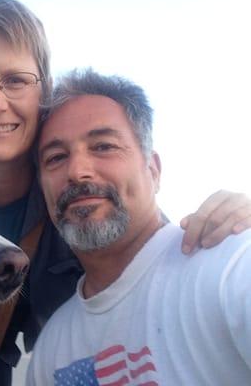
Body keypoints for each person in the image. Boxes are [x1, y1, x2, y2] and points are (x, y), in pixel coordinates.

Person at [0, 0, 251, 384]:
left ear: (43, 90)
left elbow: (154, 259)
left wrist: (231, 224)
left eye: (16, 80)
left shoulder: (78, 204)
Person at [27, 68, 251, 385]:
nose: (77, 171)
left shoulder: (230, 265)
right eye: (56, 157)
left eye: (103, 146)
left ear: (154, 170)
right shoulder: (51, 350)